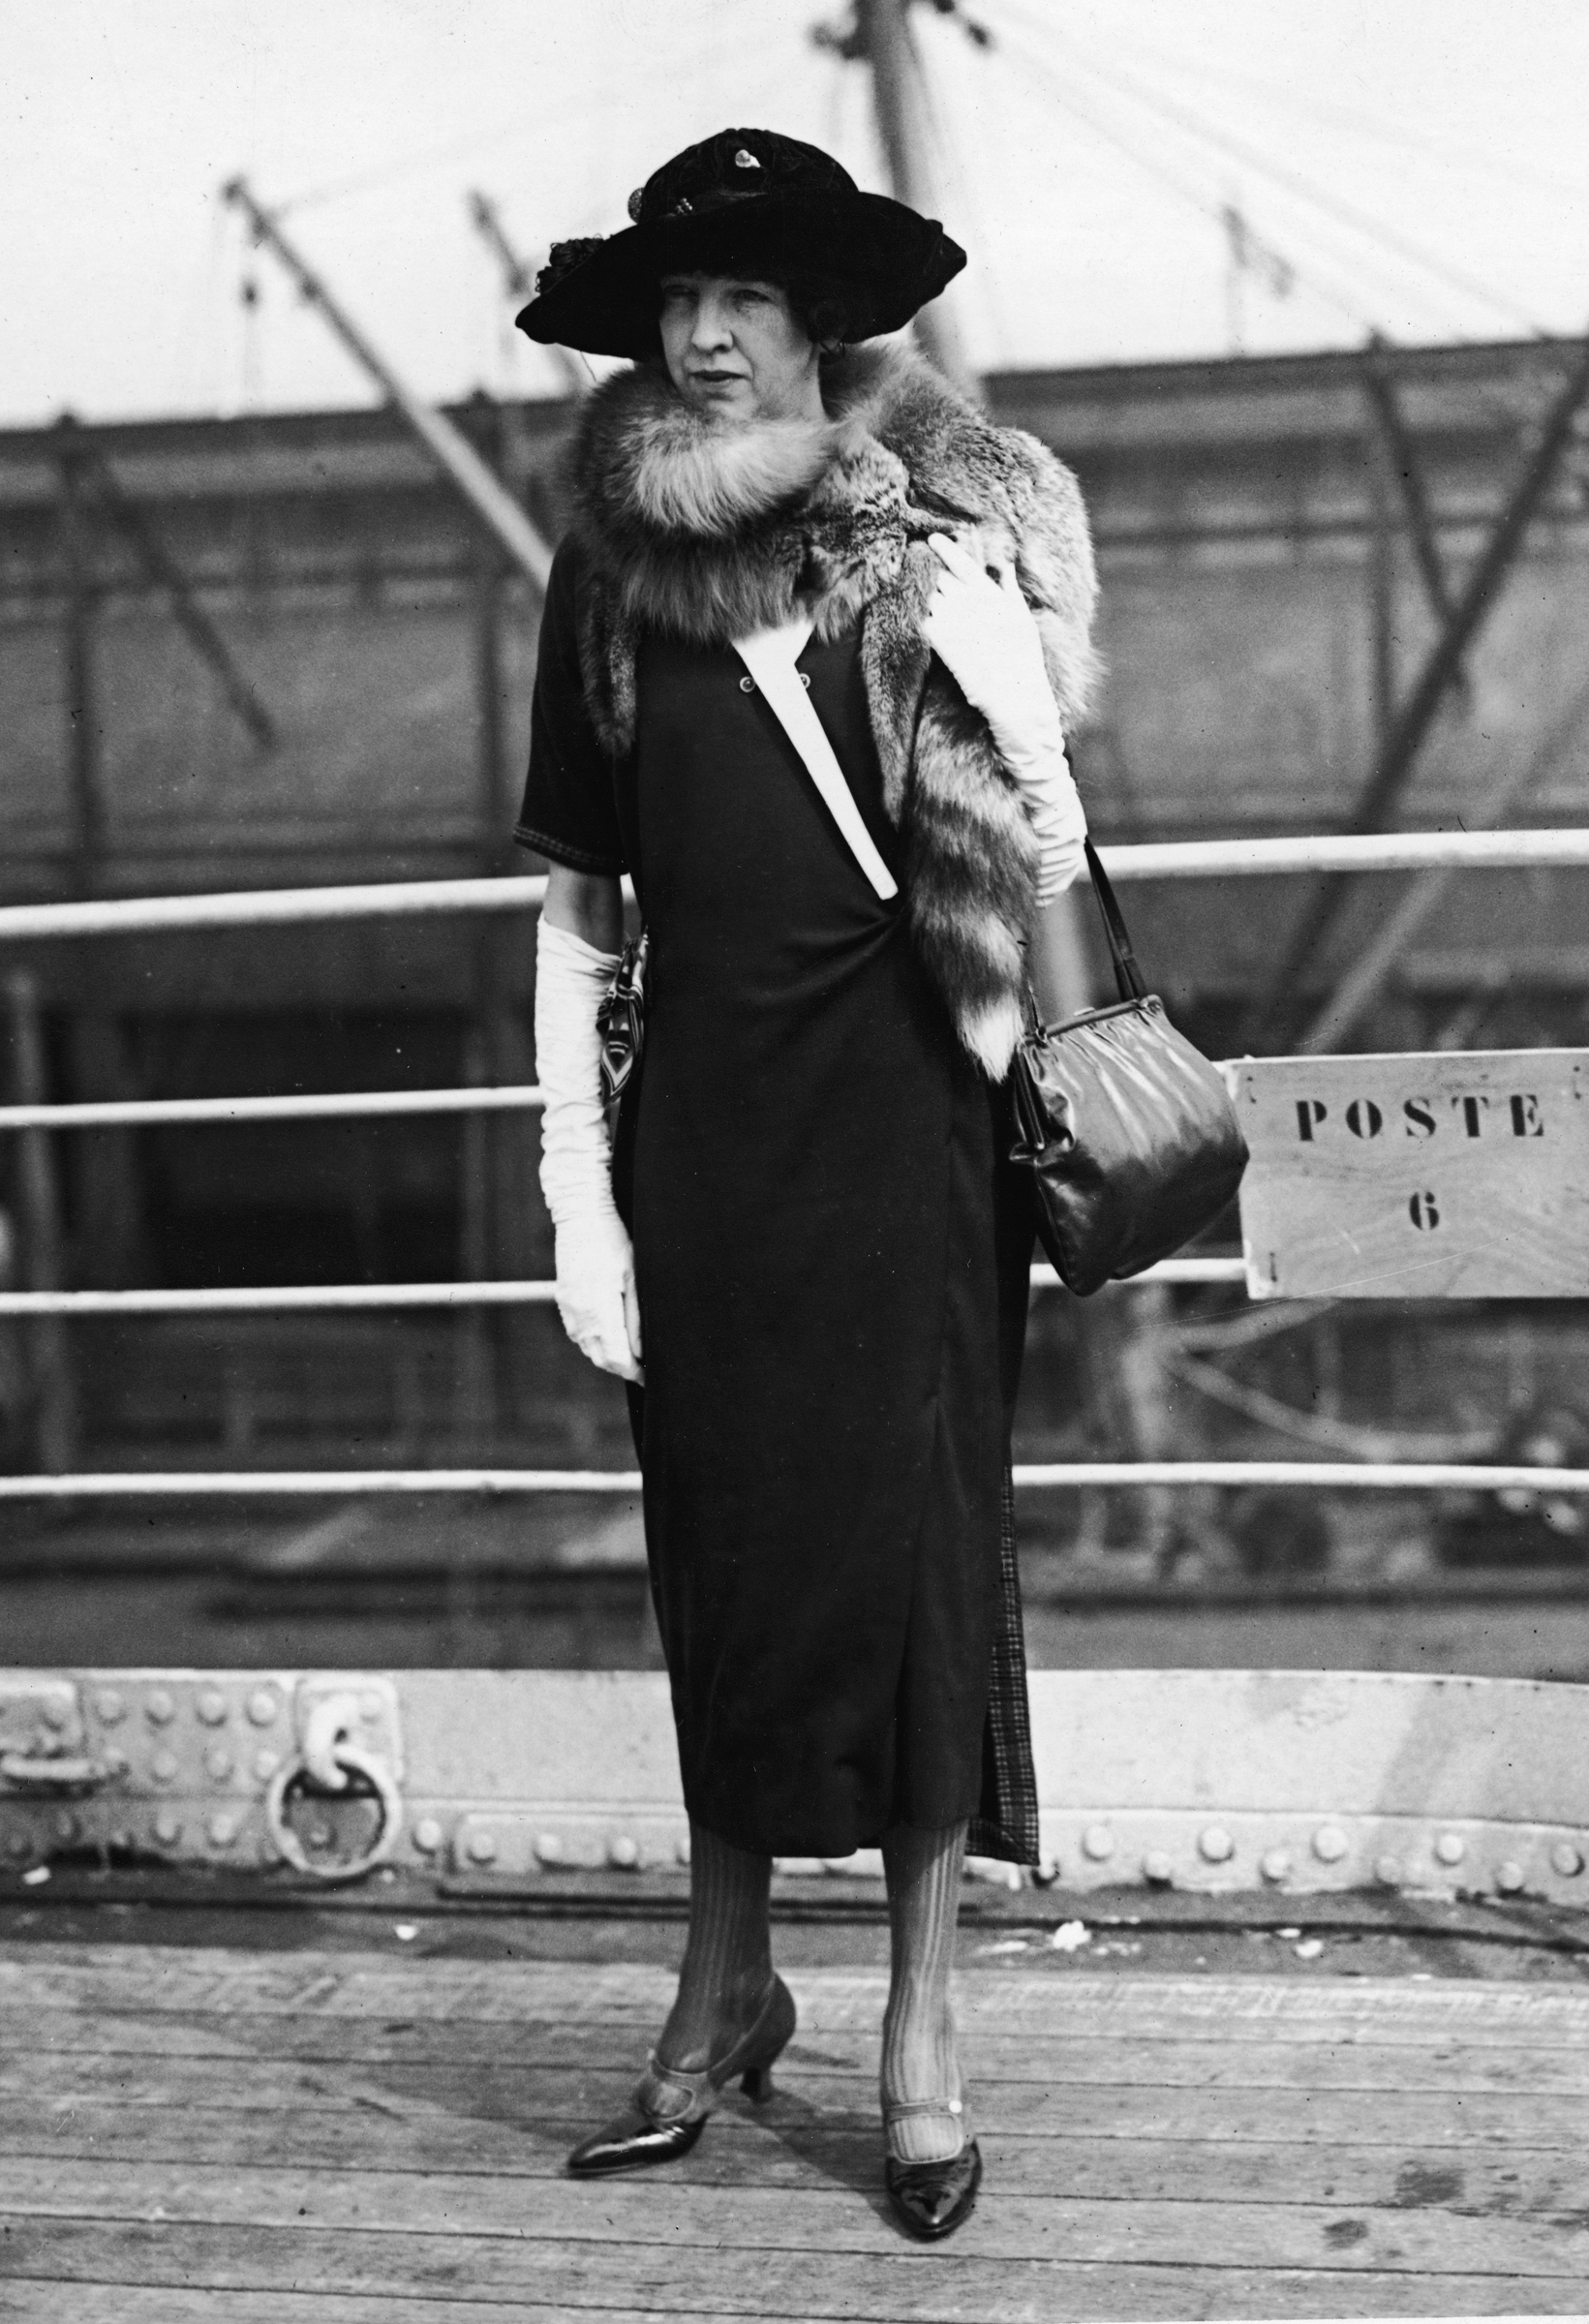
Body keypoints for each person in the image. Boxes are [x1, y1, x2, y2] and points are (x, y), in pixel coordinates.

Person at [515, 127, 1097, 2242]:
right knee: (730, 1566)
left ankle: (921, 2025)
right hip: (710, 1154)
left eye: (743, 297)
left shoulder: (929, 537)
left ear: (819, 320)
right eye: (676, 300)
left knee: (923, 1570)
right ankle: (722, 1980)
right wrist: (579, 1195)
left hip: (912, 1130)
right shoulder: (604, 574)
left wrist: (995, 657)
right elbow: (581, 916)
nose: (700, 336)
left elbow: (1042, 837)